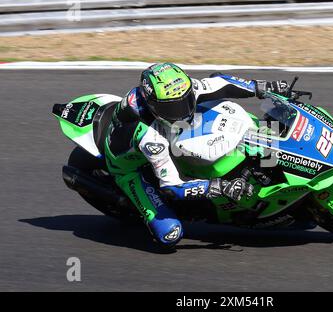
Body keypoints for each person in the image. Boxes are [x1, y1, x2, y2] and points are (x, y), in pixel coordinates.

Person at [104, 62, 289, 248]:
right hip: (128, 168)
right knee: (170, 234)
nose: (182, 111)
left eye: (185, 101)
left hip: (165, 134)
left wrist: (265, 88)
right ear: (153, 105)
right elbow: (172, 187)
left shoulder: (179, 88)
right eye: (172, 109)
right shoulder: (150, 137)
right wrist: (218, 186)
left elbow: (221, 83)